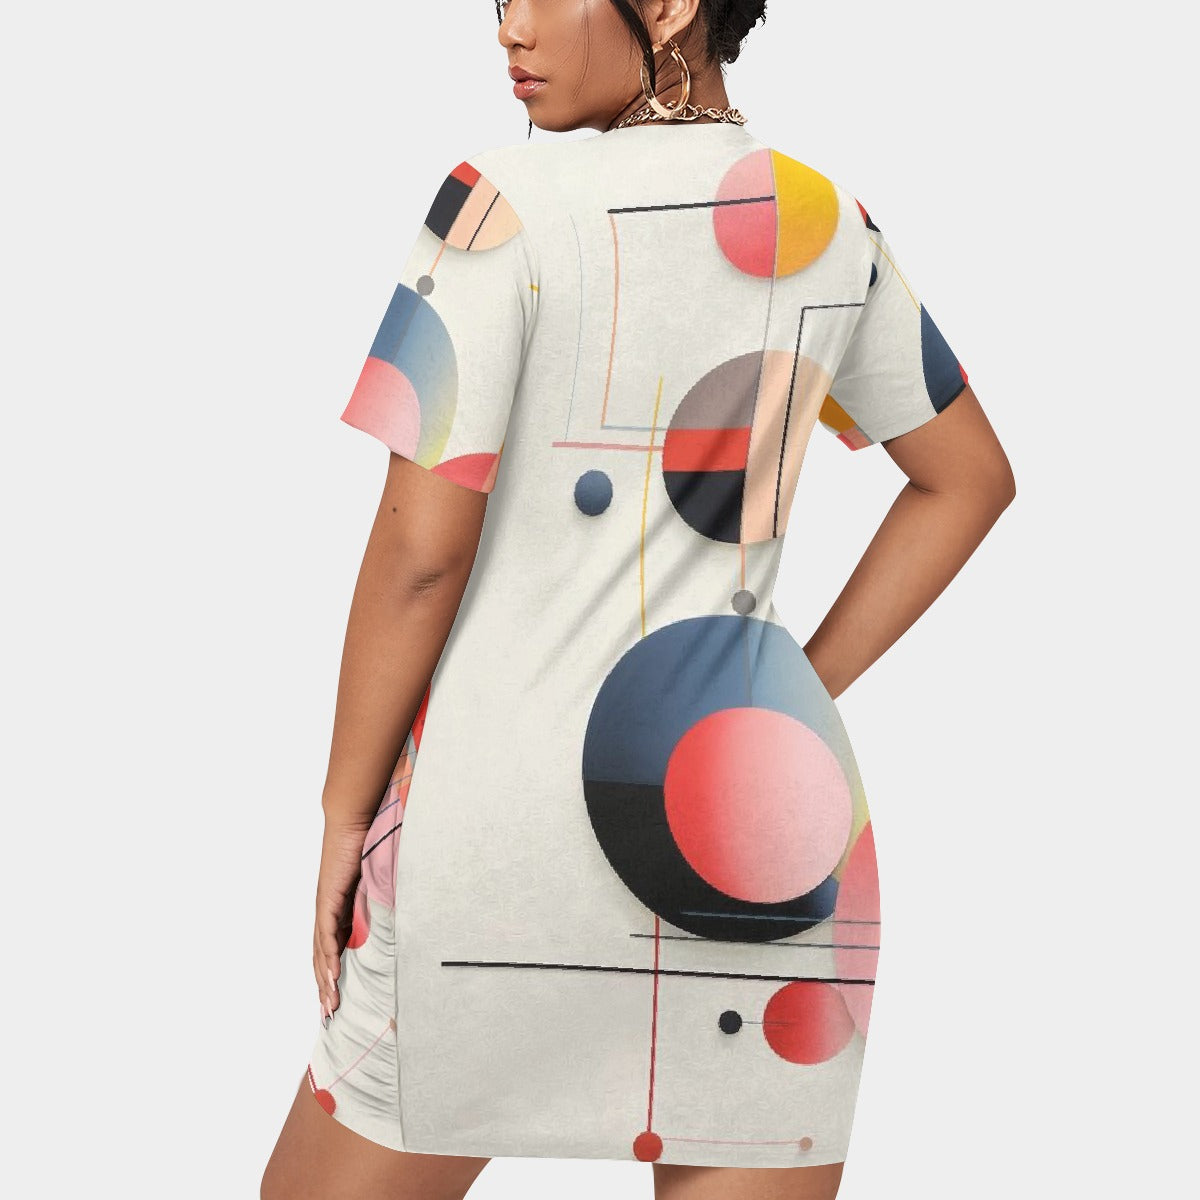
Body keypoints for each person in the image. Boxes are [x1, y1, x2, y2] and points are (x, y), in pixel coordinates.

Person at [261, 1, 1016, 1197]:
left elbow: (418, 560)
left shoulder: (493, 206)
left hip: (493, 841)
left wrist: (341, 816)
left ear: (666, 3)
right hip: (763, 839)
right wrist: (787, 689)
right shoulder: (829, 225)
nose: (508, 29)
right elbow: (969, 480)